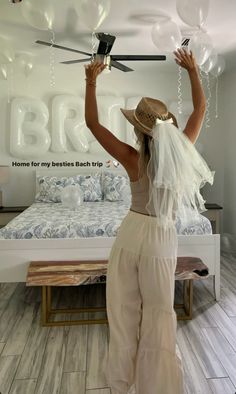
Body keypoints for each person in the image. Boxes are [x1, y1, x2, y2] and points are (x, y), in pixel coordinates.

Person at [84, 48, 214, 394]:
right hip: (159, 238)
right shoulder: (182, 150)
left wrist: (91, 83)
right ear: (166, 127)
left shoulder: (130, 158)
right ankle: (157, 386)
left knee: (123, 313)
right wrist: (192, 70)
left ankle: (121, 383)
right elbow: (200, 109)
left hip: (130, 234)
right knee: (158, 314)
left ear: (138, 130)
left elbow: (93, 125)